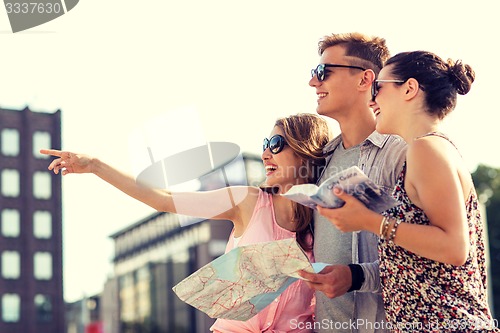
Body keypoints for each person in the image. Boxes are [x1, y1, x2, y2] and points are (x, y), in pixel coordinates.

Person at [41, 113, 331, 333]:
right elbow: (166, 200)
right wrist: (94, 165)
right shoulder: (247, 201)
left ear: (304, 149)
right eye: (265, 144)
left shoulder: (327, 217)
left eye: (276, 144)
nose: (266, 152)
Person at [319, 51, 498, 332]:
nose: (371, 99)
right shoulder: (430, 149)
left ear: (410, 89)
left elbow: (454, 248)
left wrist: (368, 221)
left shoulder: (426, 149)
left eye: (378, 87)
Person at [298, 33, 407, 333]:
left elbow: (425, 255)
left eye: (324, 72)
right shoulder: (323, 160)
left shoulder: (401, 154)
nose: (313, 82)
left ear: (364, 80)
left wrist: (355, 276)